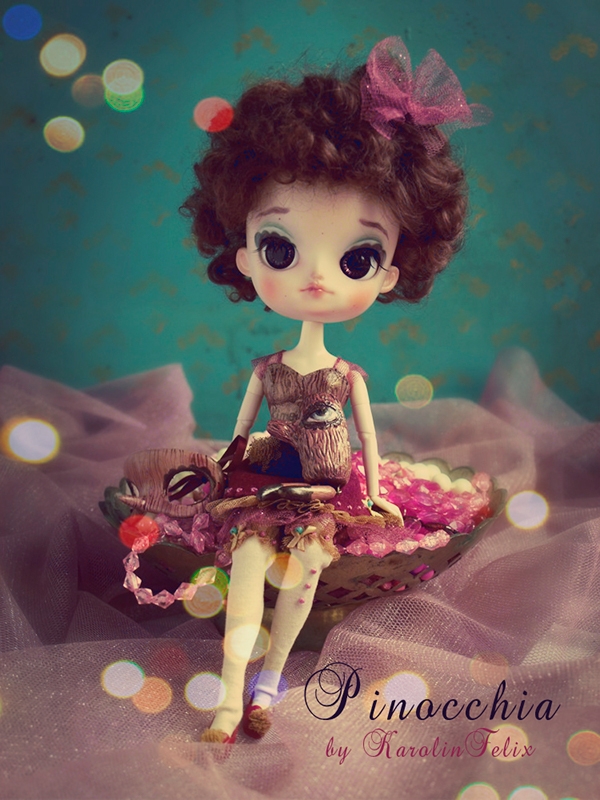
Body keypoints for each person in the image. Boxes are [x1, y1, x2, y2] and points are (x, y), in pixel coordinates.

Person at [177, 36, 490, 743]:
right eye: (281, 249)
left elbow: (367, 437)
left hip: (328, 485)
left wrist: (375, 490)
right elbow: (241, 431)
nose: (317, 277)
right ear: (244, 255)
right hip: (265, 479)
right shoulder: (268, 369)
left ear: (390, 272)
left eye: (357, 258)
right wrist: (221, 469)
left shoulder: (348, 377)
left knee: (307, 570)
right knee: (249, 564)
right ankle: (227, 697)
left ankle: (267, 684)